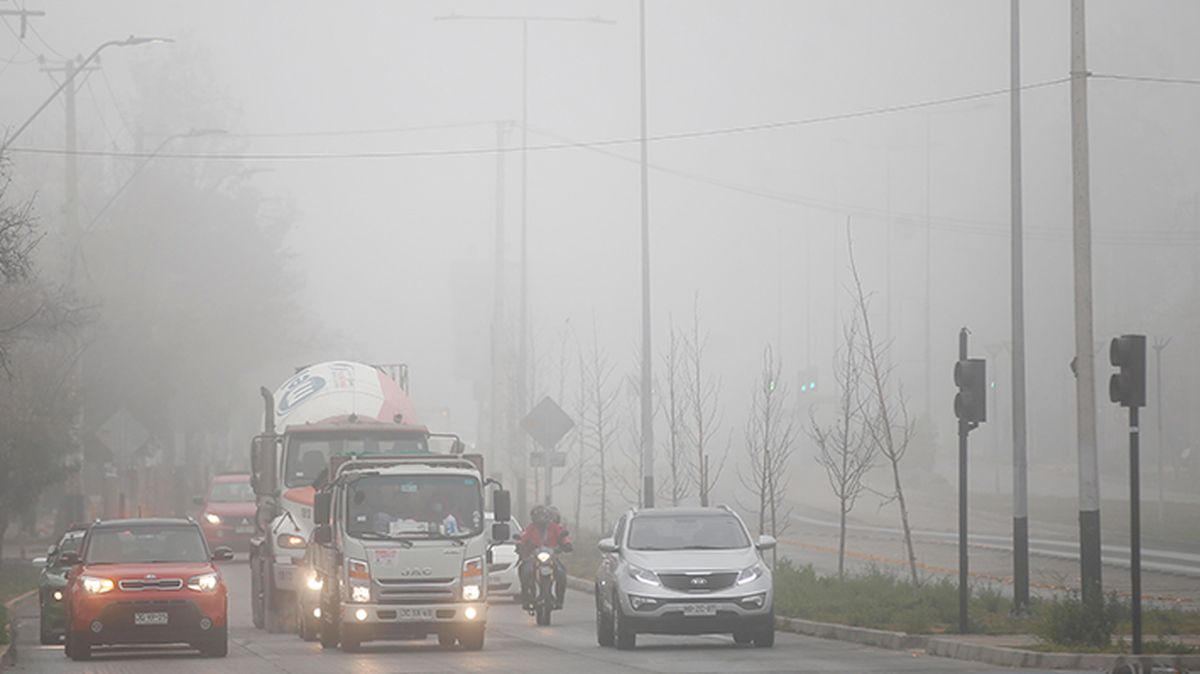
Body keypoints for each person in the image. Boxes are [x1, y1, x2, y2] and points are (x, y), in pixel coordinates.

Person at [516, 505, 572, 610]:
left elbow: (563, 535)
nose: (541, 519)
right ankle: (526, 598)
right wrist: (520, 545)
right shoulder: (530, 528)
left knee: (561, 573)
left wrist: (567, 544)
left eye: (543, 516)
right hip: (533, 557)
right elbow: (523, 536)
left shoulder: (554, 527)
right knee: (525, 571)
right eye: (538, 516)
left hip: (551, 557)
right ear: (533, 518)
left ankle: (559, 600)